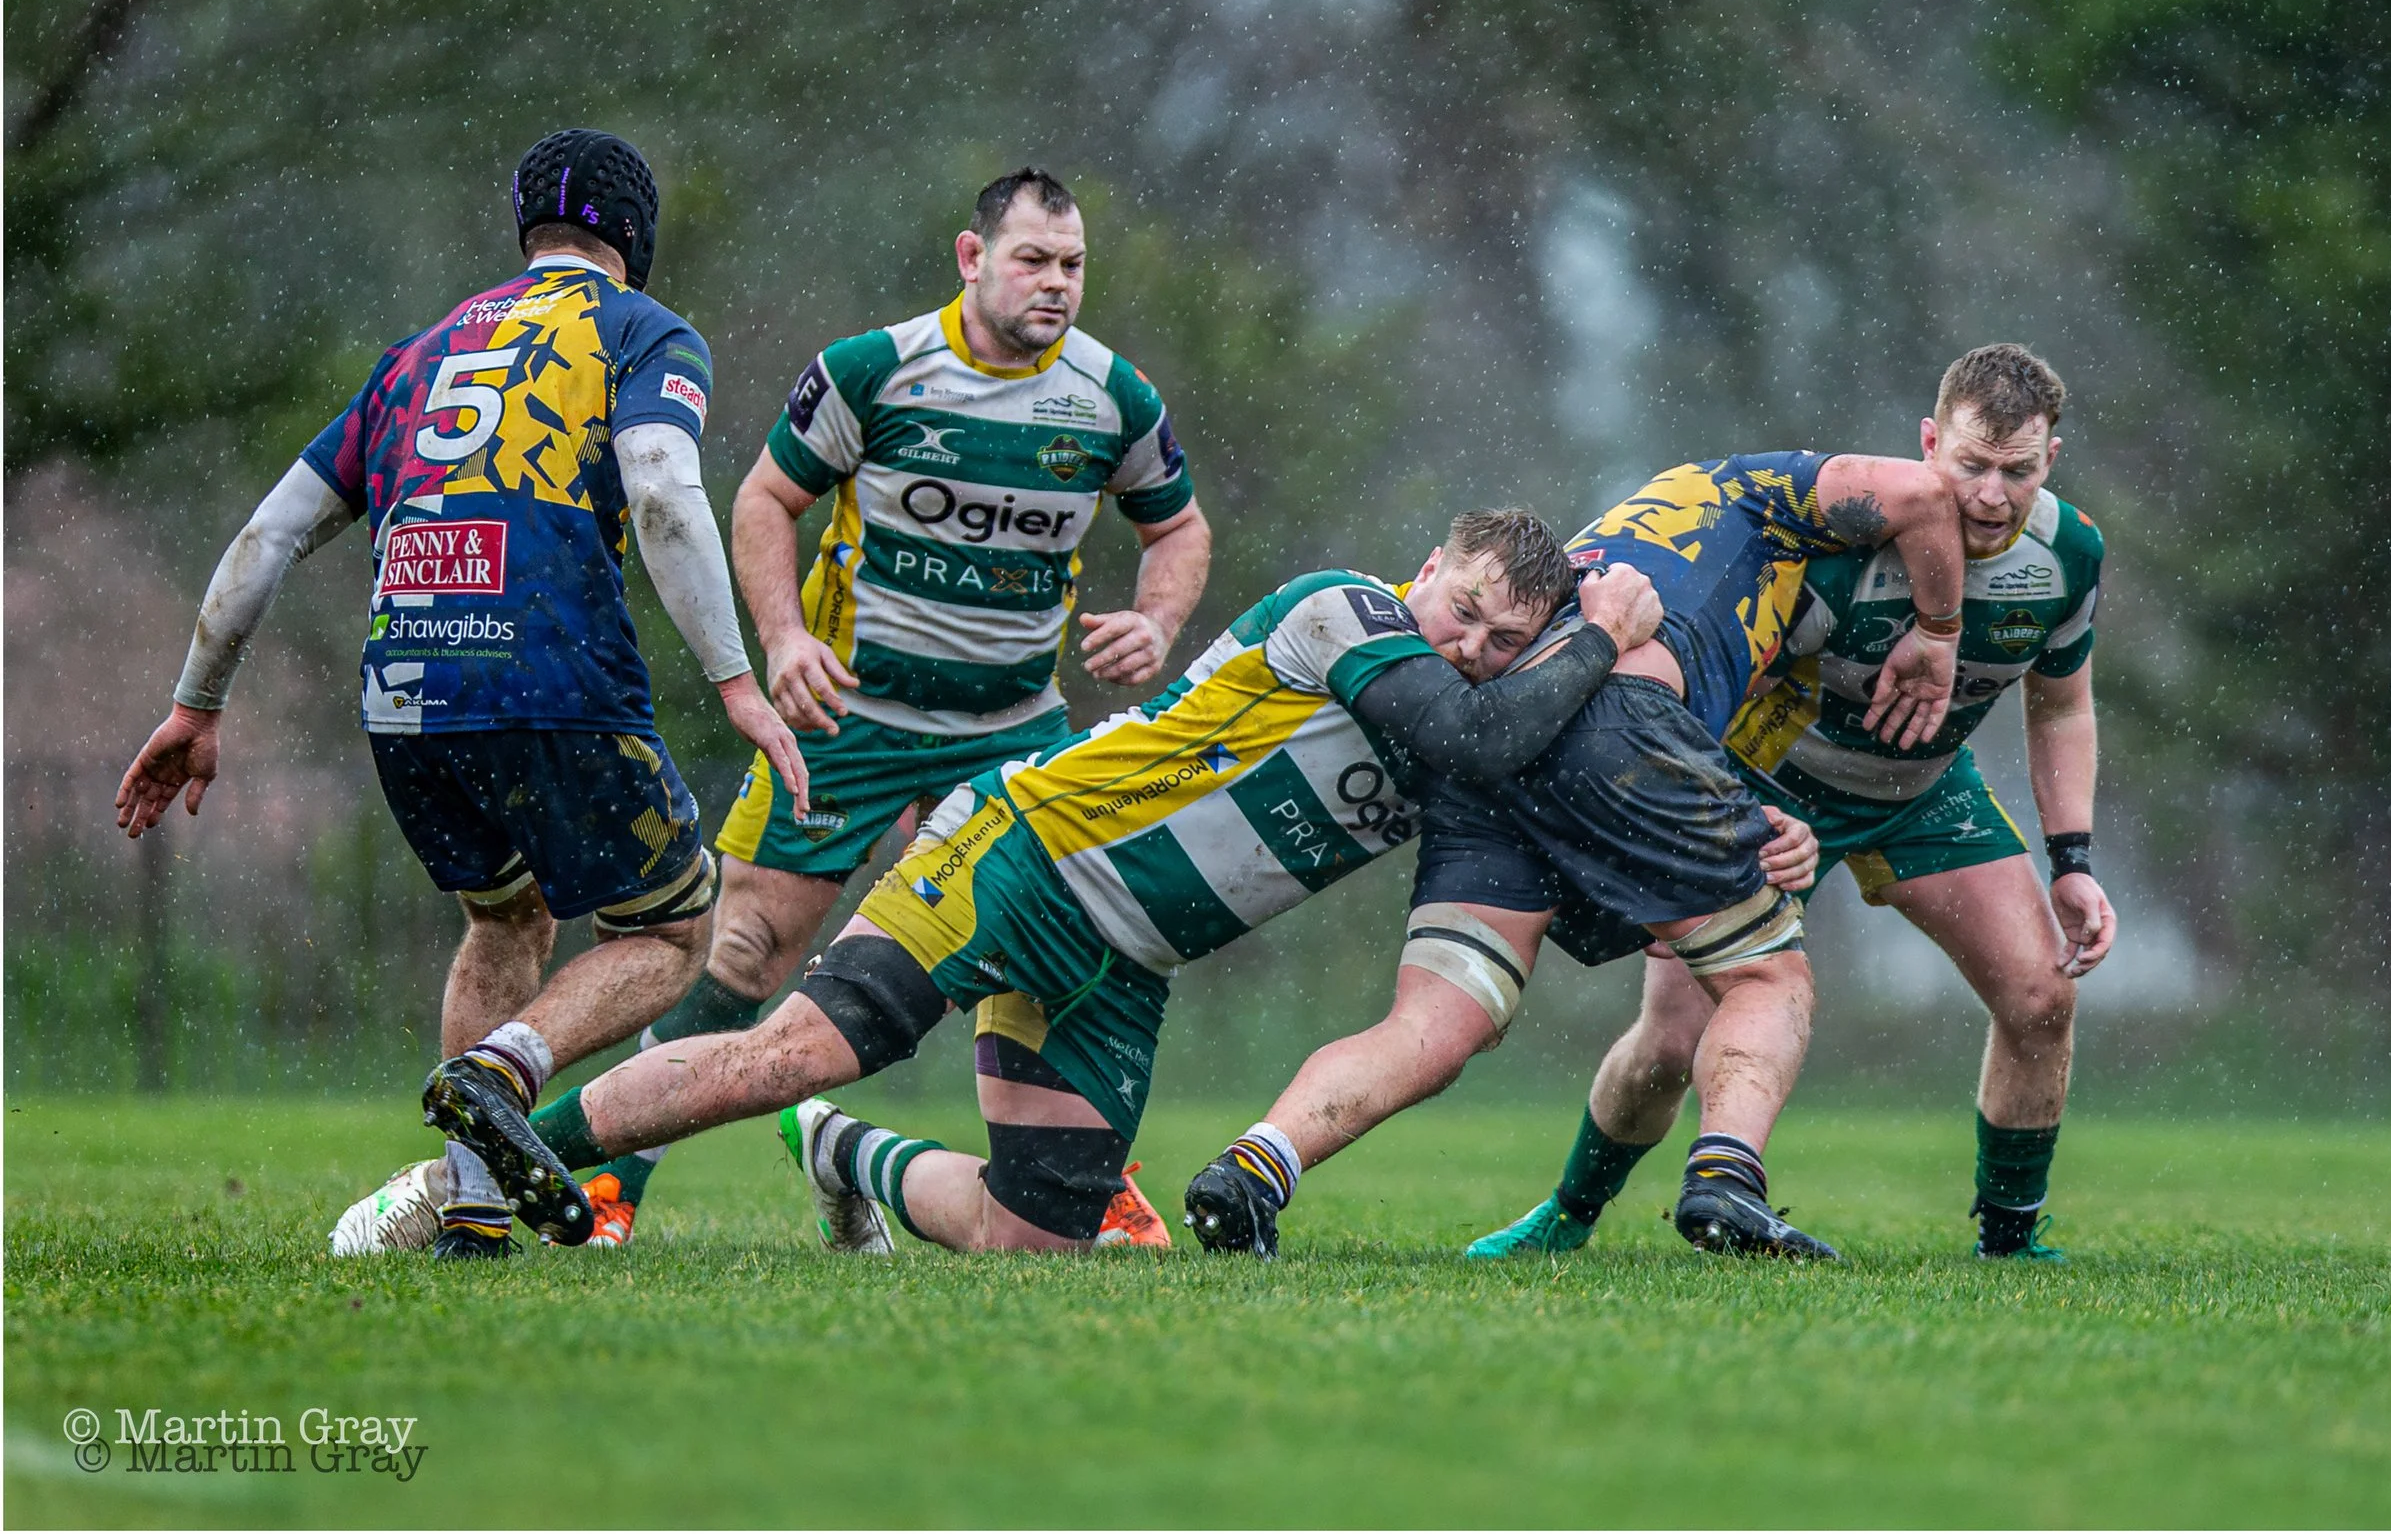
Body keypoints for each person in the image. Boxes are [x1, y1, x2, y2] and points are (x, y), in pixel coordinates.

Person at [444, 512, 1735, 1254]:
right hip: (1023, 857)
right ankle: (484, 1175)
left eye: (1502, 642)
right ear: (1427, 567)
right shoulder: (1346, 611)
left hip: (1123, 964)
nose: (1469, 646)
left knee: (1039, 1241)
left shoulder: (1483, 711)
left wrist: (1745, 842)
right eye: (1461, 609)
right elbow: (1474, 739)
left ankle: (848, 1159)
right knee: (792, 1048)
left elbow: (1581, 875)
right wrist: (1602, 641)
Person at [117, 128, 804, 1260]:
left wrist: (197, 704)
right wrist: (737, 680)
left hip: (405, 692)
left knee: (507, 914)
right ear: (635, 238)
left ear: (524, 232)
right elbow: (668, 496)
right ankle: (499, 1071)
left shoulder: (412, 356)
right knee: (676, 930)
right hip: (552, 679)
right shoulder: (640, 329)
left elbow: (271, 532)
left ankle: (474, 1212)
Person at [561, 166, 1212, 1246]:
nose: (1056, 284)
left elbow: (1176, 528)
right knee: (743, 952)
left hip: (1014, 729)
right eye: (1033, 261)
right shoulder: (875, 370)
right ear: (972, 257)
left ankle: (1092, 1178)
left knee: (1058, 942)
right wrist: (782, 639)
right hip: (851, 717)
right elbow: (767, 497)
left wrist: (1156, 618)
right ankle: (607, 1179)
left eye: (1073, 265)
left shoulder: (1110, 396)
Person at [1183, 449, 1966, 1261]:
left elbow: (1660, 725)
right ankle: (1727, 1183)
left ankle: (1253, 1169)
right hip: (1610, 724)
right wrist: (1940, 631)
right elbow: (1921, 491)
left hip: (1500, 742)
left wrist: (1743, 810)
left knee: (1437, 1022)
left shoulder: (1619, 541)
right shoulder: (1767, 497)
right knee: (1765, 974)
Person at [1466, 344, 2112, 1264]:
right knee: (1669, 1041)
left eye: (2018, 470)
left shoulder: (2070, 555)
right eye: (1970, 464)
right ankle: (1566, 1216)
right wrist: (1712, 814)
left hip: (1922, 792)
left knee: (2044, 992)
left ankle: (2010, 1243)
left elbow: (2062, 704)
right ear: (1930, 444)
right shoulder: (1841, 545)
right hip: (1766, 788)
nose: (1992, 495)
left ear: (2051, 457)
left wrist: (2074, 860)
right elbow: (1711, 697)